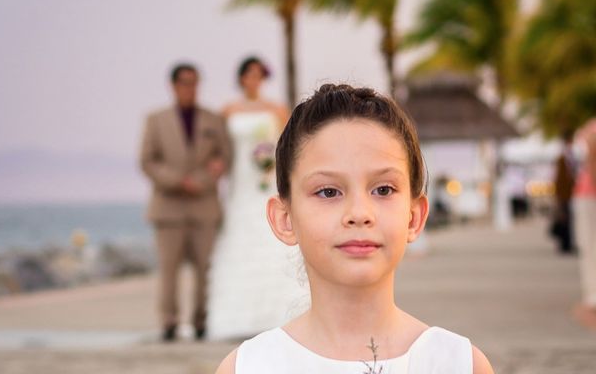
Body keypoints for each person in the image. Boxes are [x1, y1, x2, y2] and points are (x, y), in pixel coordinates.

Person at [215, 84, 494, 373]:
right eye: (328, 192)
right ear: (284, 218)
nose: (359, 214)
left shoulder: (459, 363)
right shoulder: (249, 366)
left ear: (414, 217)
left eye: (383, 189)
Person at [206, 56, 308, 340]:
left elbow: (291, 144)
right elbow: (217, 148)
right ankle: (236, 317)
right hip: (240, 182)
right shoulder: (228, 111)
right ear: (241, 78)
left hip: (266, 179)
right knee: (239, 238)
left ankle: (280, 315)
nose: (254, 79)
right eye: (249, 74)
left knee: (272, 240)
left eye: (259, 75)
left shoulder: (275, 109)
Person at [140, 63, 232, 341]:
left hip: (204, 207)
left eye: (194, 82)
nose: (189, 87)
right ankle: (169, 322)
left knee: (206, 269)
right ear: (173, 85)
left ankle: (201, 321)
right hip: (168, 208)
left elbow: (225, 158)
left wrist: (202, 180)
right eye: (183, 82)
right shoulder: (155, 120)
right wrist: (179, 180)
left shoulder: (213, 120)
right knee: (169, 270)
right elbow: (147, 161)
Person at [572, 119, 596, 328]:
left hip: (589, 195)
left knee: (590, 247)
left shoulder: (590, 130)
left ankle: (592, 297)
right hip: (587, 194)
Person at [551, 131, 576, 253]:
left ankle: (567, 243)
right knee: (564, 218)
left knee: (567, 219)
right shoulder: (562, 157)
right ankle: (564, 244)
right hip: (564, 194)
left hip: (568, 194)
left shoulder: (568, 156)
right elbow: (559, 178)